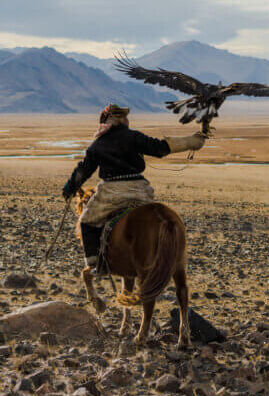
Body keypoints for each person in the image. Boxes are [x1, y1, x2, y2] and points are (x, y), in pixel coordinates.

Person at [62, 103, 206, 272]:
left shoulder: (98, 145)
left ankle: (94, 263)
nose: (128, 120)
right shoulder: (134, 137)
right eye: (125, 117)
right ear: (121, 120)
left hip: (111, 194)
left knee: (87, 221)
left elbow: (83, 170)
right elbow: (159, 148)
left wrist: (69, 189)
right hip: (140, 191)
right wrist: (191, 141)